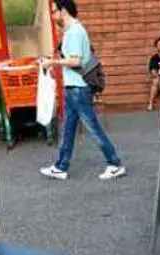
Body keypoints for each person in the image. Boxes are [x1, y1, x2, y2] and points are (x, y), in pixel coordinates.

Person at [40, 0, 126, 181]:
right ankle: (61, 166)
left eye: (54, 11)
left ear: (63, 10)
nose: (53, 15)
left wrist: (52, 63)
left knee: (93, 128)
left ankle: (115, 164)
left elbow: (76, 61)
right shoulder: (72, 31)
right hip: (73, 88)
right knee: (68, 129)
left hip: (78, 89)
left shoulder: (75, 32)